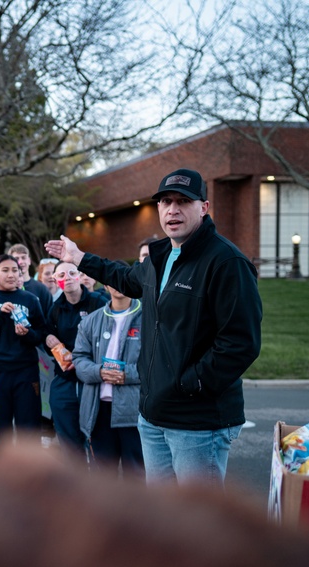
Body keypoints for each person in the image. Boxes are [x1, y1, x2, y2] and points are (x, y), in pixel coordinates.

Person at [45, 168, 263, 486]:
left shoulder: (226, 263)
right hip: (152, 417)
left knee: (195, 521)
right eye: (165, 202)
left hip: (197, 422)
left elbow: (241, 343)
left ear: (203, 207)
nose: (172, 209)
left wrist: (189, 384)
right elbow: (125, 278)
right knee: (163, 517)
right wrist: (80, 258)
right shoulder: (161, 257)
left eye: (183, 202)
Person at [0, 254, 47, 458]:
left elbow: (41, 334)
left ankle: (31, 481)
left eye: (15, 270)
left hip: (26, 374)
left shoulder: (30, 300)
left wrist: (28, 334)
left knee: (29, 433)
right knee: (0, 434)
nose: (11, 274)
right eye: (5, 270)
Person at [72, 270, 144, 478]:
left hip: (134, 412)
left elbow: (157, 364)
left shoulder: (149, 319)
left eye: (125, 280)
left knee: (137, 477)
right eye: (113, 279)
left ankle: (136, 513)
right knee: (102, 480)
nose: (118, 284)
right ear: (105, 285)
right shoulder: (91, 321)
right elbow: (79, 359)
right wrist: (99, 372)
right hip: (98, 411)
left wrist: (126, 374)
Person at [43, 261, 107, 452]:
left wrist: (84, 364)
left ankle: (97, 478)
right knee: (69, 441)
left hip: (93, 379)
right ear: (55, 280)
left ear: (79, 275)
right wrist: (48, 339)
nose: (67, 278)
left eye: (71, 273)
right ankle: (75, 476)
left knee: (97, 438)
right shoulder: (55, 309)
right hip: (66, 379)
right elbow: (46, 336)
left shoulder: (98, 302)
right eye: (61, 276)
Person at [8, 243, 53, 320]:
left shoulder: (41, 289)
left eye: (23, 258)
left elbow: (50, 318)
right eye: (16, 258)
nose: (21, 262)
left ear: (29, 260)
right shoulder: (5, 288)